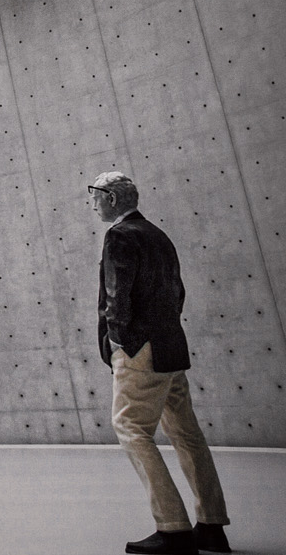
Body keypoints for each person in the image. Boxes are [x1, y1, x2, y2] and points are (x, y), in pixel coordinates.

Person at [90, 172, 229, 555]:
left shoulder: (120, 236)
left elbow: (116, 297)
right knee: (186, 433)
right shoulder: (158, 234)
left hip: (140, 349)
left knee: (131, 427)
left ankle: (173, 529)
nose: (92, 203)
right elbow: (177, 292)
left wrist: (118, 341)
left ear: (112, 199)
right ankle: (212, 526)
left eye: (95, 195)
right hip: (170, 346)